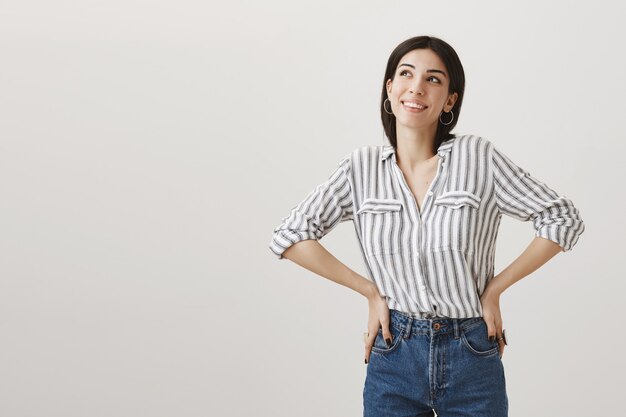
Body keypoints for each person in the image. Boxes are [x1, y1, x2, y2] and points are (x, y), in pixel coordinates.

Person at [268, 35, 584, 417]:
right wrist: (370, 292)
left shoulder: (477, 158)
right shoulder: (361, 168)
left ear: (450, 99)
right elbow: (290, 235)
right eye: (406, 74)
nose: (417, 87)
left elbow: (561, 217)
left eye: (434, 79)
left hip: (471, 351)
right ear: (390, 88)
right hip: (394, 354)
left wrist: (496, 288)